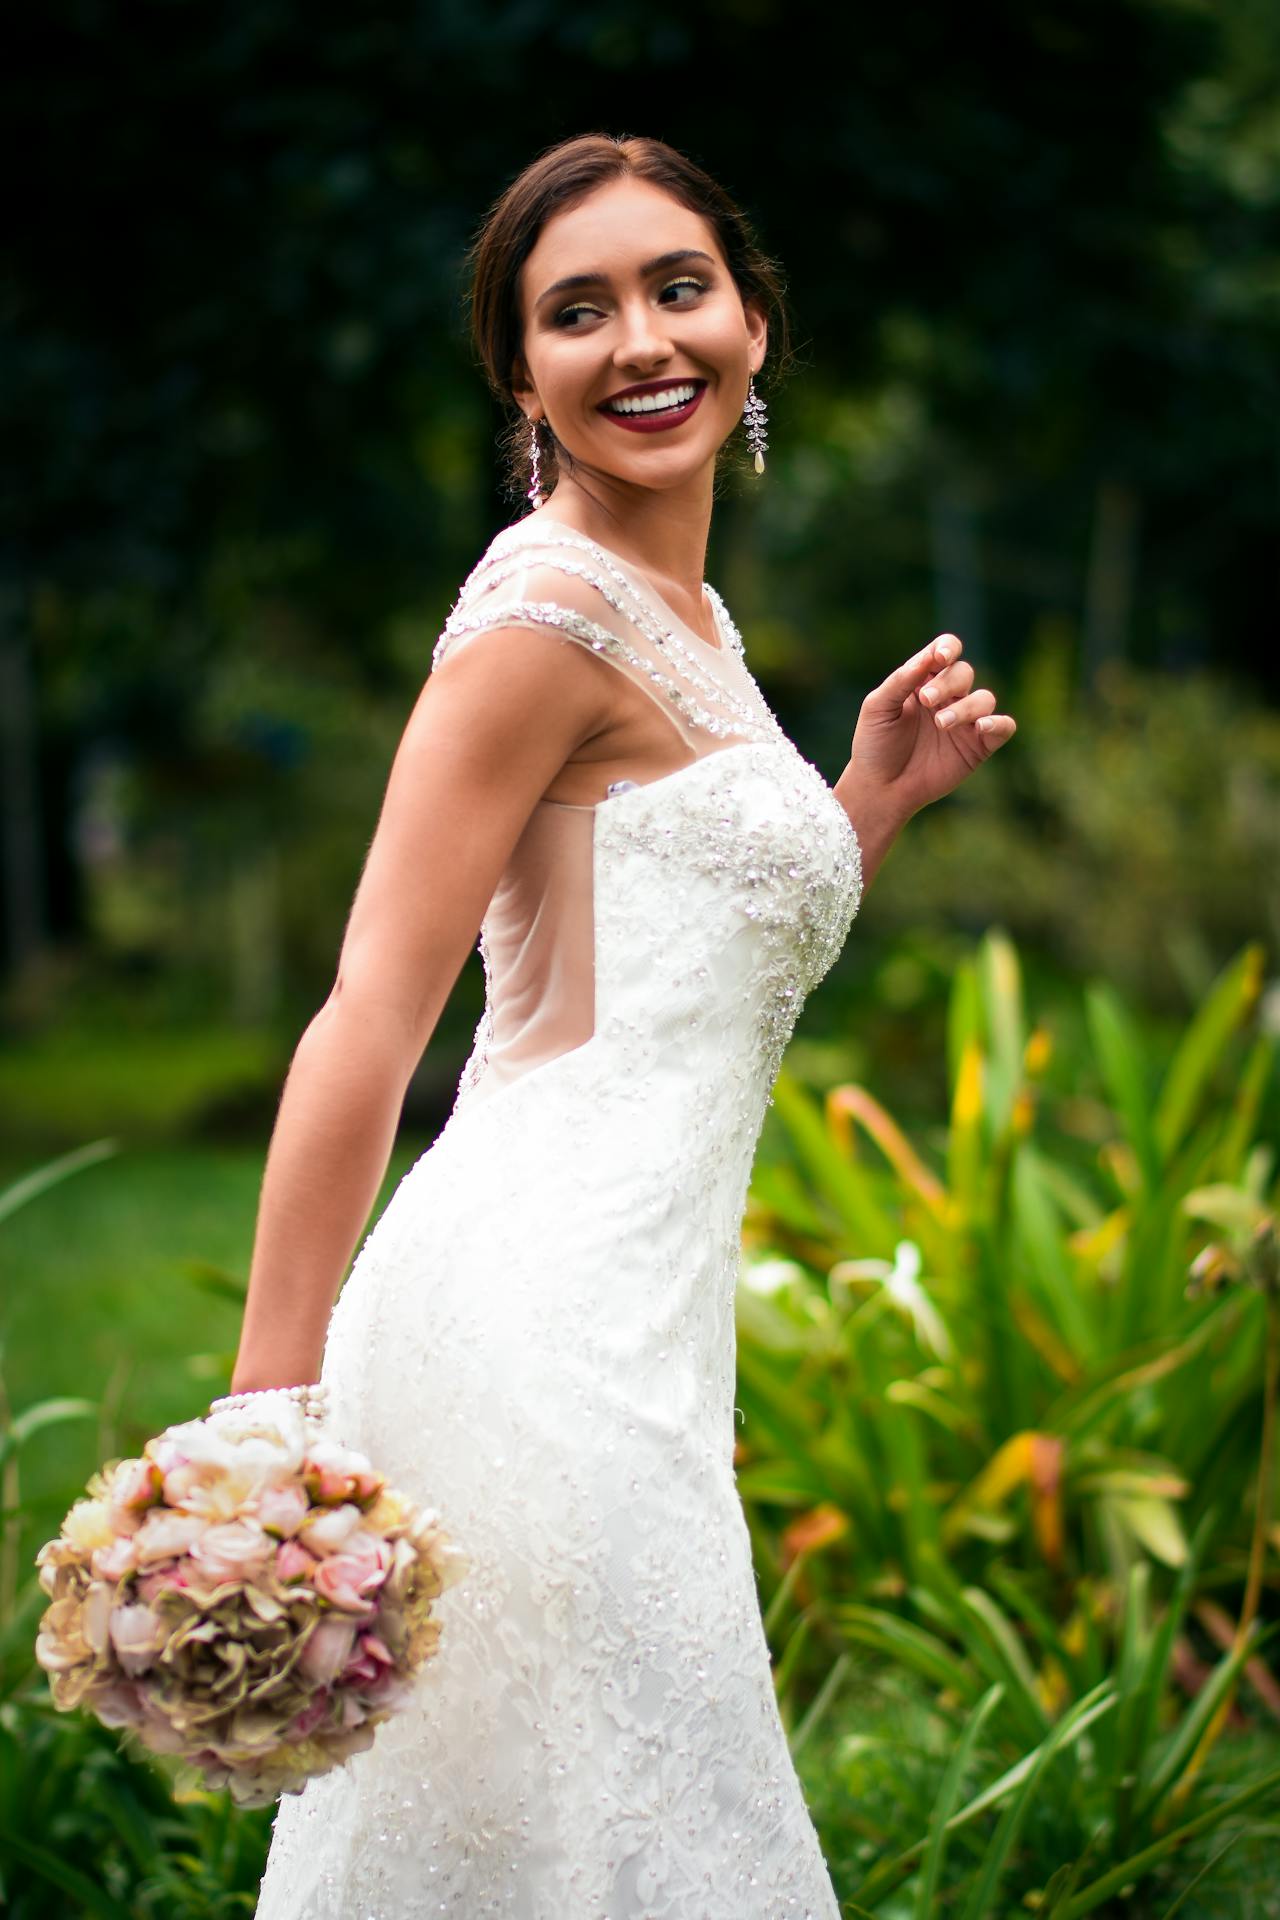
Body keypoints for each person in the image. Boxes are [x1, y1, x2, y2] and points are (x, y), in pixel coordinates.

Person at [244, 132, 1015, 1918]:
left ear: (752, 318)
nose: (643, 341)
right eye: (576, 312)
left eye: (679, 288)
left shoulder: (688, 618)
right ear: (523, 378)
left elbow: (631, 974)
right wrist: (263, 1422)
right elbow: (371, 1011)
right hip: (535, 1337)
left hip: (643, 1340)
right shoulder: (542, 615)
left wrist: (862, 810)